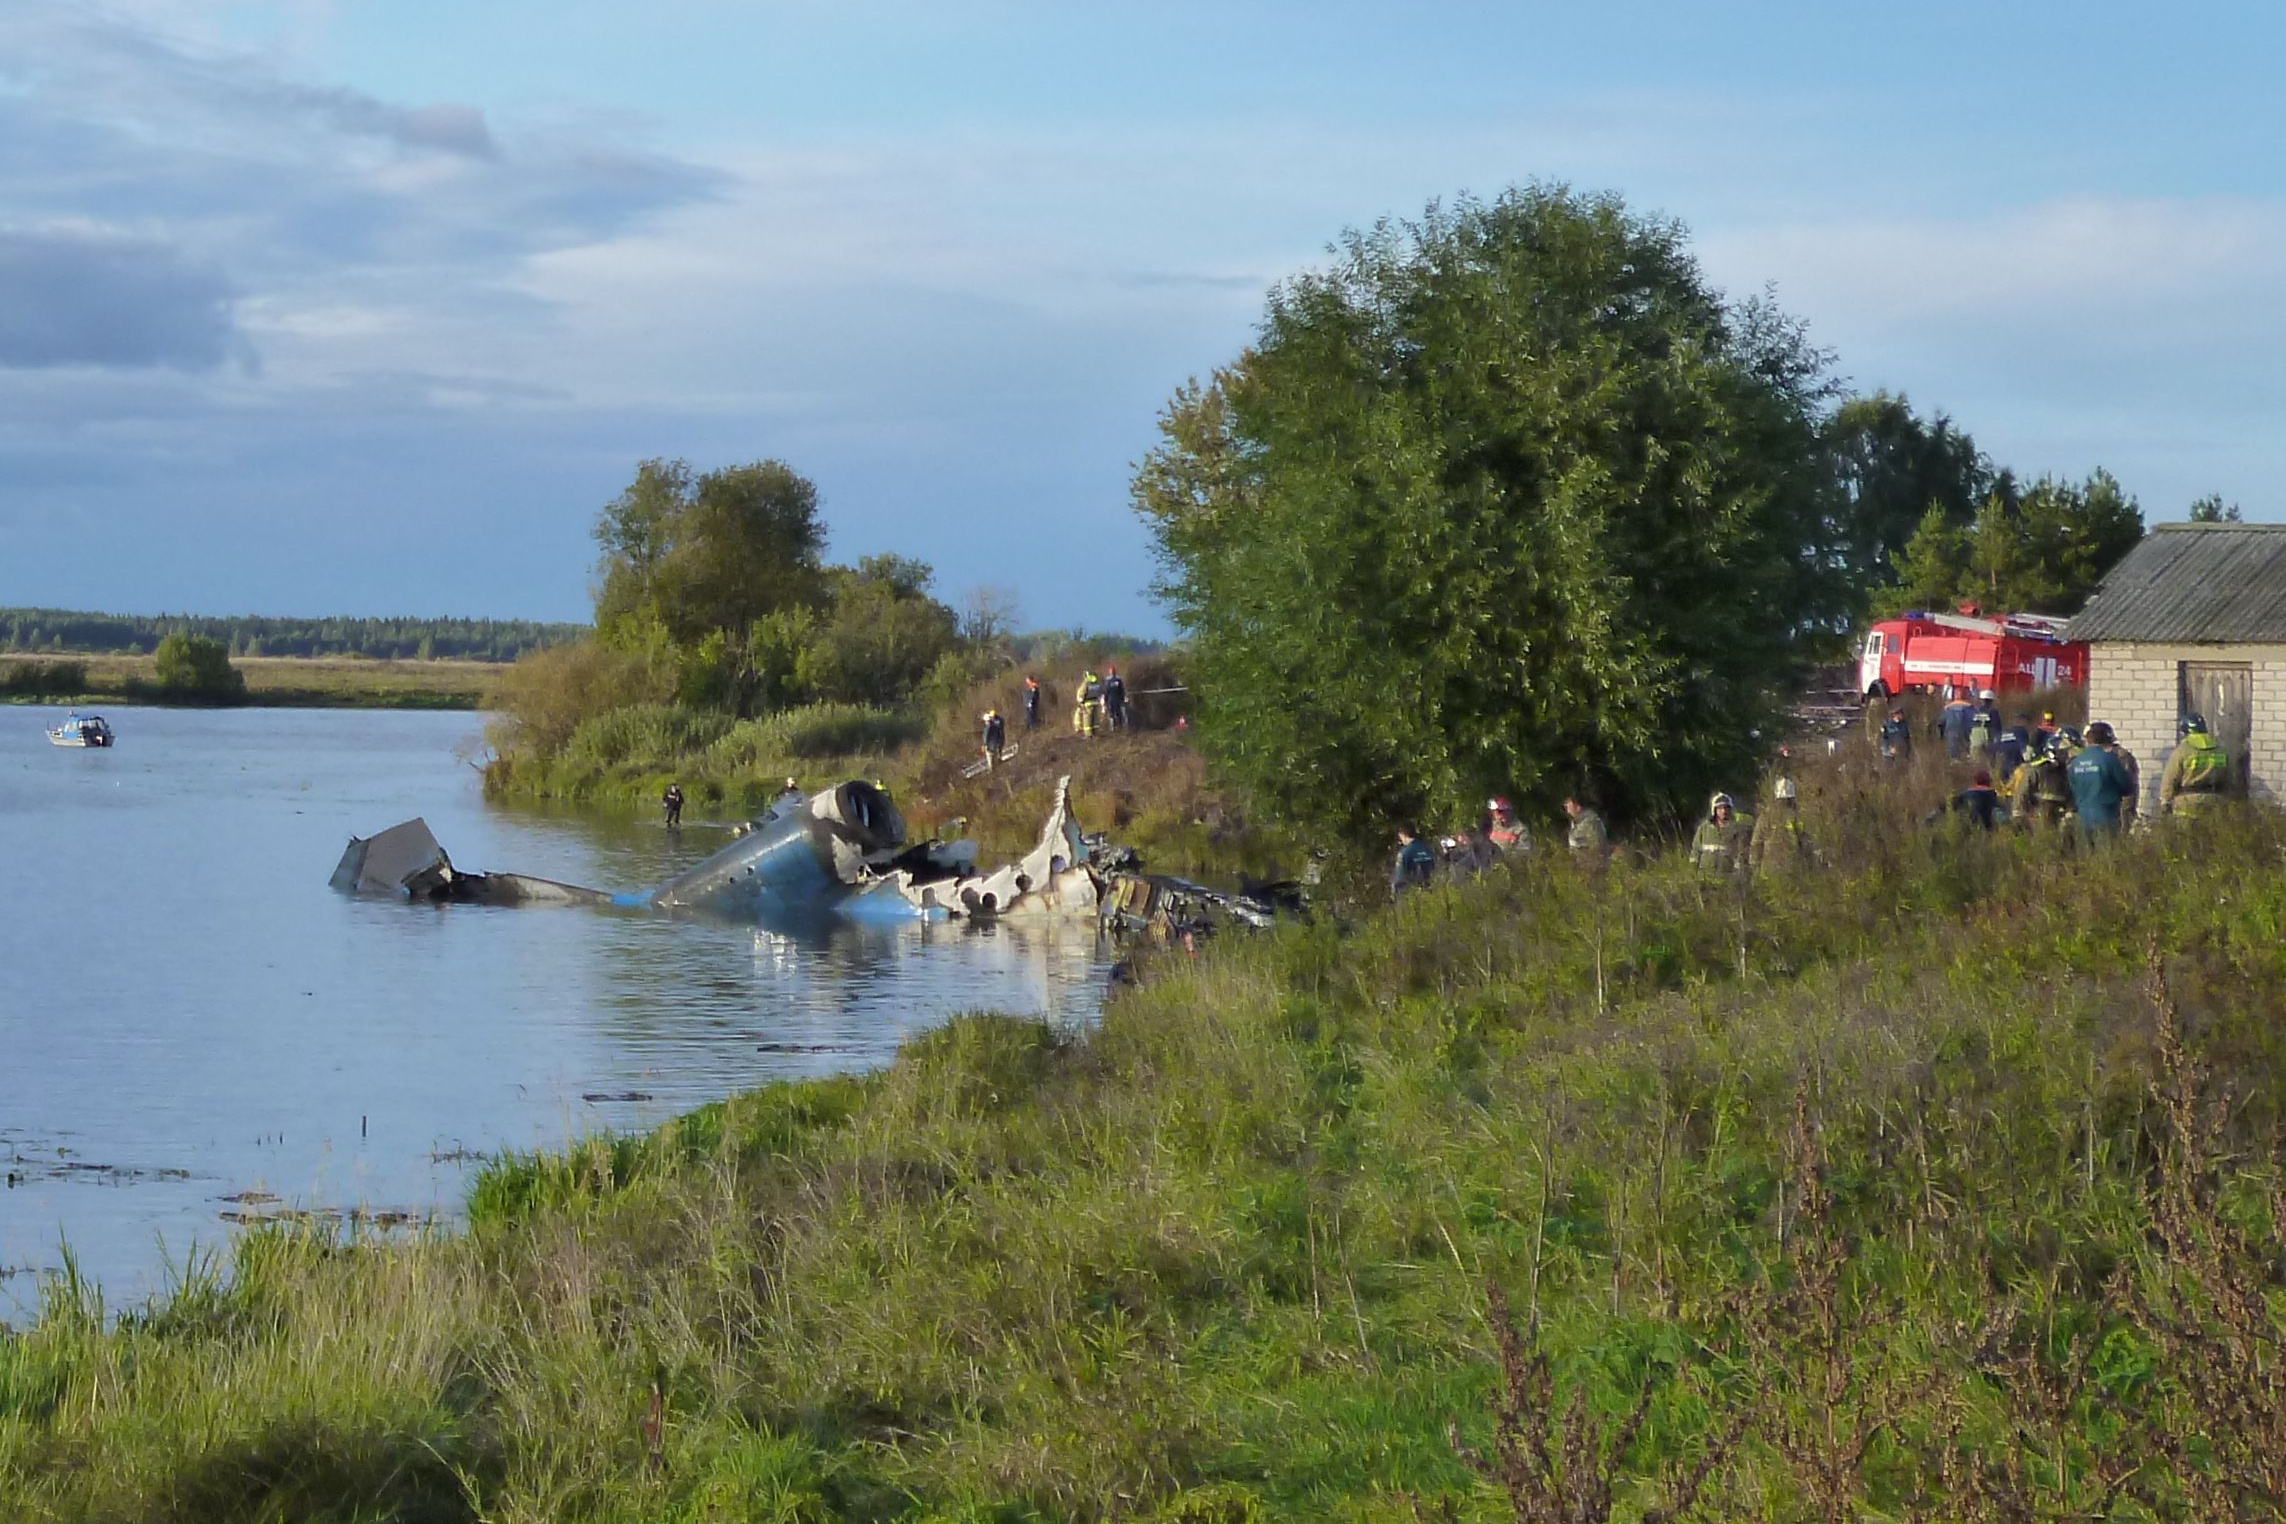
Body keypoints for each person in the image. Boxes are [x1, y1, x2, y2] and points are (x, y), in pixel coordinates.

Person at [2067, 720, 2136, 841]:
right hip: (2107, 814)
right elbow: (2127, 786)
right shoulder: (2111, 759)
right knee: (2107, 854)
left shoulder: (2075, 762)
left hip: (2083, 815)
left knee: (2086, 855)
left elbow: (2072, 787)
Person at [2160, 712, 2237, 816]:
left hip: (2187, 801)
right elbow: (2231, 777)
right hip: (2215, 800)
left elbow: (2170, 777)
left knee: (2186, 832)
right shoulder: (2220, 750)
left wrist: (2165, 800)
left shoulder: (2182, 751)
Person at [1754, 776, 1813, 875]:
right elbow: (1807, 843)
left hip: (1769, 869)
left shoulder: (1765, 816)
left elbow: (1756, 843)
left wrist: (1755, 867)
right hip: (1794, 869)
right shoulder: (1798, 816)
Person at [2014, 736, 2077, 830]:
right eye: (2062, 753)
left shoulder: (2064, 772)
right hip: (2038, 817)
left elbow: (2069, 793)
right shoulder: (2036, 770)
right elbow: (2023, 792)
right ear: (2052, 753)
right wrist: (2018, 815)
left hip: (2059, 817)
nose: (2066, 756)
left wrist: (2070, 813)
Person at [1690, 792, 1755, 875]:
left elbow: (1741, 854)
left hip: (1727, 876)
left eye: (1726, 808)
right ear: (1714, 810)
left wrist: (1737, 875)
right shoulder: (1704, 828)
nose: (1724, 811)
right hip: (1705, 875)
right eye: (1720, 808)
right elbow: (1695, 850)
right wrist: (1693, 871)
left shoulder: (1738, 830)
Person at [1390, 826, 1437, 898]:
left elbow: (1400, 877)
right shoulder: (1427, 848)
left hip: (1411, 895)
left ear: (1403, 835)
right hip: (1429, 893)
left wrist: (1395, 895)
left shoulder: (1404, 852)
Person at [1993, 713, 2032, 786]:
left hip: (2001, 762)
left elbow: (1995, 747)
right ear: (2022, 721)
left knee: (2004, 786)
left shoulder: (2004, 732)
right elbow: (2024, 749)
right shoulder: (2021, 731)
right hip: (2014, 762)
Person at [1938, 687, 1977, 760]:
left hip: (1951, 734)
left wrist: (1941, 735)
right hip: (1967, 735)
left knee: (1952, 758)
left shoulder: (1948, 709)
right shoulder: (1972, 709)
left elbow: (1941, 722)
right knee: (1966, 756)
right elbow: (1976, 722)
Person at [1968, 690, 2000, 762]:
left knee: (1975, 761)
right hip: (1988, 738)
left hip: (1975, 739)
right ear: (1991, 701)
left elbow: (1969, 725)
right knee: (1990, 760)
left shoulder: (1975, 711)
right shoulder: (1993, 712)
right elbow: (1997, 727)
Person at [1101, 666, 1128, 731]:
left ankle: (1120, 726)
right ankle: (1112, 727)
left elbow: (1121, 689)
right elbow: (1105, 690)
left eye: (1113, 671)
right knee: (1111, 713)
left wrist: (1124, 696)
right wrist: (1104, 698)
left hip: (1118, 698)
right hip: (1110, 699)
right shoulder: (1107, 680)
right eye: (1111, 671)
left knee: (1119, 713)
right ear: (1109, 672)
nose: (1112, 672)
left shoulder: (1118, 679)